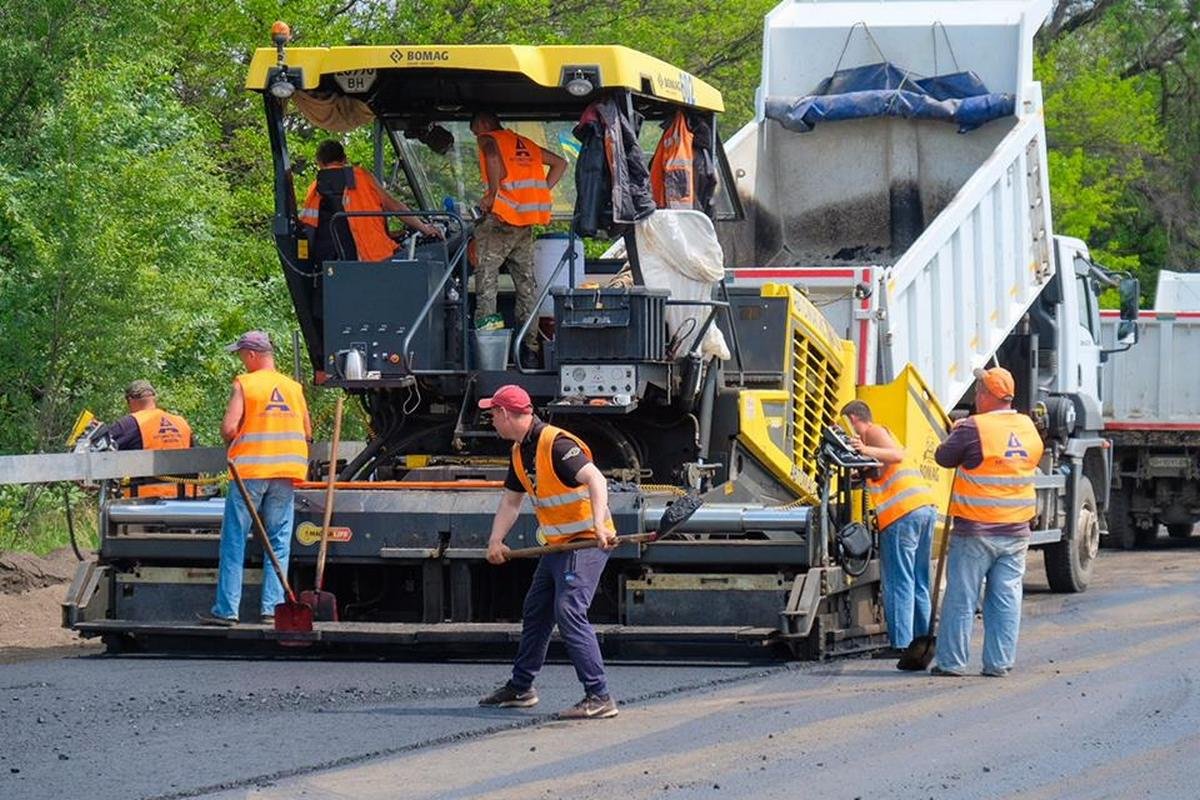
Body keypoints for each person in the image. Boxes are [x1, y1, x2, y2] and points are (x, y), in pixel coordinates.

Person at [475, 384, 619, 719]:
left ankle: (599, 696)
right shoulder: (519, 452)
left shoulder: (556, 444)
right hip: (557, 545)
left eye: (492, 414)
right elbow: (511, 501)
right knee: (537, 610)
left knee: (569, 610)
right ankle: (521, 687)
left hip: (585, 542)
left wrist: (599, 525)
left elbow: (596, 480)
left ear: (505, 413)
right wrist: (496, 540)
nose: (491, 420)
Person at [931, 367, 1044, 677]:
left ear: (984, 395)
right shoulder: (1027, 427)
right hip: (1017, 530)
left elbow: (944, 457)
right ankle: (999, 663)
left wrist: (957, 431)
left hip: (976, 530)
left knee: (962, 597)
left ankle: (952, 662)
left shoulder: (973, 427)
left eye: (978, 391)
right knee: (1006, 598)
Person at [198, 331, 312, 627]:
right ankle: (272, 609)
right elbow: (308, 432)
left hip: (249, 473)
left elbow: (229, 428)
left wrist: (239, 441)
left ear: (251, 354)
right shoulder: (293, 387)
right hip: (286, 474)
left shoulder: (245, 384)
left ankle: (227, 610)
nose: (240, 360)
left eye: (240, 354)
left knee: (234, 541)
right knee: (278, 543)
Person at [842, 399, 937, 657]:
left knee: (898, 581)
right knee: (919, 580)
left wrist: (863, 448)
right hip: (923, 509)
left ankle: (902, 645)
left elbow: (896, 455)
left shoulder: (873, 432)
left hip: (902, 515)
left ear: (853, 419)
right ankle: (923, 642)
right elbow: (881, 470)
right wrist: (861, 471)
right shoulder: (879, 441)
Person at [470, 112, 567, 362]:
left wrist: (492, 194)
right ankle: (529, 350)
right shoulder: (526, 144)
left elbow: (492, 157)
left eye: (474, 131)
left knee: (486, 282)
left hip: (501, 221)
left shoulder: (488, 138)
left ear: (482, 124)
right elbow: (560, 163)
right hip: (525, 224)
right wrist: (541, 192)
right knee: (526, 287)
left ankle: (489, 352)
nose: (476, 136)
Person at [299, 139, 441, 263]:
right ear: (345, 159)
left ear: (319, 162)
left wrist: (307, 261)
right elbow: (395, 207)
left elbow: (308, 229)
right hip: (377, 257)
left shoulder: (316, 188)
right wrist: (425, 228)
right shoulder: (362, 177)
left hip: (336, 262)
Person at [107, 380, 197, 498]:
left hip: (147, 501)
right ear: (154, 398)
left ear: (130, 400)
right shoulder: (181, 422)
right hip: (188, 498)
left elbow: (102, 449)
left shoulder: (129, 424)